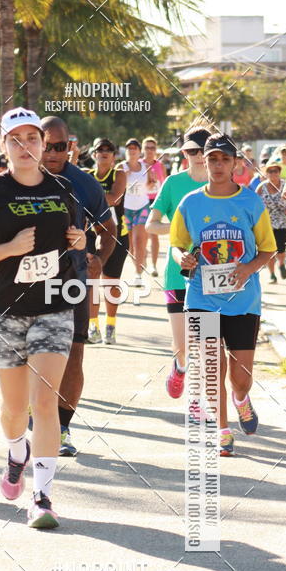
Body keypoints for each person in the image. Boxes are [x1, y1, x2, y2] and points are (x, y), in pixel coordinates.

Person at [0, 107, 86, 528]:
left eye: (32, 138)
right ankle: (17, 452)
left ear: (43, 143)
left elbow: (74, 238)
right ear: (5, 145)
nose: (25, 146)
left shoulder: (62, 188)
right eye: (16, 139)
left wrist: (79, 240)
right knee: (14, 408)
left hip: (55, 303)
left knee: (44, 401)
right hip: (6, 309)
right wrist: (9, 249)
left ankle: (43, 496)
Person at [170, 132, 276, 457]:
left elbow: (268, 249)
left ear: (235, 164)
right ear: (204, 161)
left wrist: (248, 269)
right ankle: (222, 430)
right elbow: (176, 244)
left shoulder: (250, 202)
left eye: (224, 159)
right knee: (212, 366)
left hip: (243, 300)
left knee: (240, 378)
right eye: (212, 159)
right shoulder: (190, 203)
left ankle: (241, 399)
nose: (217, 165)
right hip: (201, 297)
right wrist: (182, 258)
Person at [40, 117, 115, 456]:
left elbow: (108, 229)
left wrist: (99, 257)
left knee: (73, 354)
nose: (52, 153)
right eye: (46, 146)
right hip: (26, 285)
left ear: (70, 147)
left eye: (59, 146)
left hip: (72, 282)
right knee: (32, 357)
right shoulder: (17, 181)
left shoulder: (84, 184)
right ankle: (35, 417)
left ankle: (62, 427)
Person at [146, 127, 211, 398]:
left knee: (206, 346)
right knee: (183, 345)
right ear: (184, 153)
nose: (199, 156)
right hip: (177, 273)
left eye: (203, 150)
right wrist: (180, 229)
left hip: (212, 275)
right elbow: (151, 225)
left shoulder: (222, 184)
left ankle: (201, 405)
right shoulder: (173, 183)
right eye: (192, 151)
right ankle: (180, 367)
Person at [88, 137, 129, 345]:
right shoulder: (86, 175)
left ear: (114, 156)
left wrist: (88, 197)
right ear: (94, 154)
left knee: (111, 283)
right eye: (100, 149)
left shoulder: (118, 174)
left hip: (116, 235)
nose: (104, 152)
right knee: (91, 281)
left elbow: (114, 198)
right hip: (90, 234)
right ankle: (93, 326)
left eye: (108, 150)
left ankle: (110, 326)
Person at [119, 138, 154, 284]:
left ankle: (138, 275)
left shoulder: (146, 167)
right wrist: (124, 177)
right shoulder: (121, 167)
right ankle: (139, 263)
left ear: (140, 152)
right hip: (125, 208)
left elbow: (151, 184)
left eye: (135, 148)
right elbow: (116, 188)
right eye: (129, 148)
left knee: (139, 241)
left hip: (142, 207)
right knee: (130, 246)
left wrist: (152, 183)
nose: (132, 151)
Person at [257, 161, 286, 281]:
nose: (273, 173)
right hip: (266, 223)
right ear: (266, 173)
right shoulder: (262, 187)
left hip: (282, 222)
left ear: (279, 172)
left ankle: (281, 264)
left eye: (275, 171)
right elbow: (254, 203)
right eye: (270, 171)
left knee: (281, 250)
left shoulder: (285, 186)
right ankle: (272, 274)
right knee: (268, 250)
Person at [142, 136, 166, 277]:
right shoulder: (139, 165)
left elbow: (165, 184)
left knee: (153, 233)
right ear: (143, 149)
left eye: (152, 148)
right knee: (140, 236)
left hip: (155, 201)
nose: (150, 150)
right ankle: (143, 256)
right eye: (147, 147)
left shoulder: (160, 165)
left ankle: (153, 265)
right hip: (140, 201)